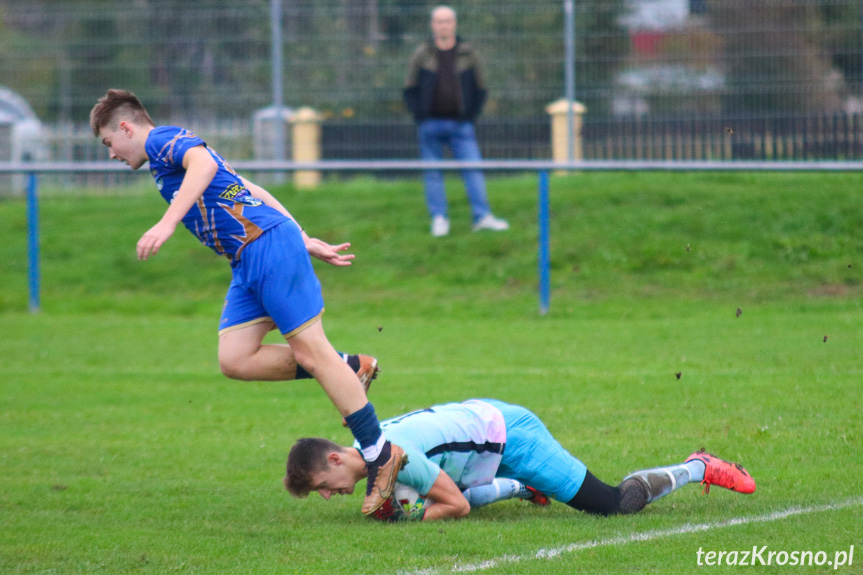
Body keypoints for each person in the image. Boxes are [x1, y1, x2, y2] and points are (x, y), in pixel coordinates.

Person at [89, 89, 406, 516]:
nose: (111, 154)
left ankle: (380, 456)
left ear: (126, 127)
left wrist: (167, 223)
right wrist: (302, 235)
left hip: (265, 247)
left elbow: (202, 165)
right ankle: (350, 366)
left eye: (109, 143)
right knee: (235, 358)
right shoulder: (166, 156)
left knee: (313, 354)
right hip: (248, 258)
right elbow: (246, 186)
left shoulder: (163, 140)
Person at [284, 399, 756, 522]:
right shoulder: (373, 453)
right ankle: (521, 488)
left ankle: (697, 465)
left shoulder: (394, 458)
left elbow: (456, 506)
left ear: (332, 457)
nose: (328, 495)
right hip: (480, 435)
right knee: (434, 491)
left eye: (322, 485)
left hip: (513, 438)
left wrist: (406, 521)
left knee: (612, 505)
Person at [403, 5, 510, 237]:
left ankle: (482, 216)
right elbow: (409, 88)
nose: (444, 26)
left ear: (454, 24)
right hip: (430, 125)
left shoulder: (468, 54)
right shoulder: (422, 54)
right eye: (439, 22)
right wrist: (420, 116)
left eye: (448, 21)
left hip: (461, 125)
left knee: (473, 169)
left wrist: (469, 115)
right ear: (433, 25)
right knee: (433, 172)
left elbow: (481, 88)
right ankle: (439, 218)